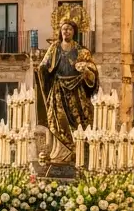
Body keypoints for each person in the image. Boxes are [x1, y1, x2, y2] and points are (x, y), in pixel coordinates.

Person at [33, 18, 99, 164]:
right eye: (64, 29)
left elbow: (93, 70)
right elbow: (44, 65)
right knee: (57, 121)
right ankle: (59, 153)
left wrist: (86, 69)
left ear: (74, 32)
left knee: (78, 121)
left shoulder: (82, 51)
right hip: (58, 90)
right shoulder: (55, 48)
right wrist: (39, 68)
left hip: (76, 91)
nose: (66, 31)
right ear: (60, 32)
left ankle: (78, 151)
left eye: (69, 29)